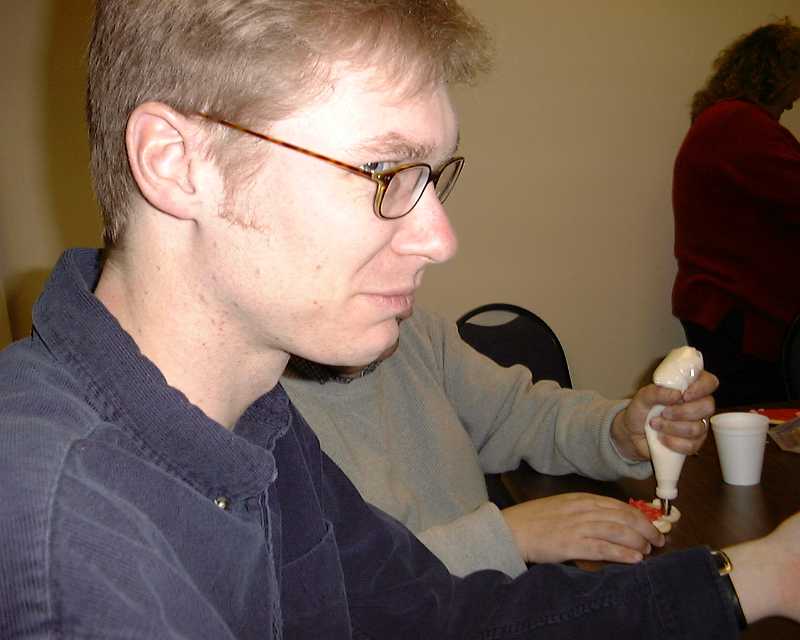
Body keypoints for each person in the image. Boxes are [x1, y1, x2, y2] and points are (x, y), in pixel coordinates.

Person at [1, 1, 798, 637]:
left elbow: (431, 614)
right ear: (177, 163)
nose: (440, 240)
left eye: (431, 177)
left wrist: (753, 578)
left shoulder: (257, 421)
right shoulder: (69, 548)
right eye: (383, 171)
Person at [282, 306, 716, 577]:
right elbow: (324, 595)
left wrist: (617, 432)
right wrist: (506, 537)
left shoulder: (416, 334)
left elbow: (520, 414)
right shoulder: (253, 411)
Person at [671, 18, 800, 408]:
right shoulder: (740, 124)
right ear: (777, 75)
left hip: (727, 311)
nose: (795, 99)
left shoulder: (723, 122)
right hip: (741, 316)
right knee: (758, 427)